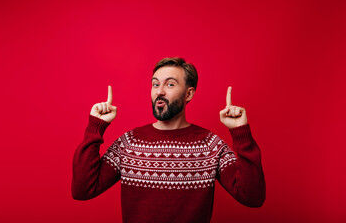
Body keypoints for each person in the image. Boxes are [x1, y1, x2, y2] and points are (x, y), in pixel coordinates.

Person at [72, 57, 266, 223]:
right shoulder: (129, 143)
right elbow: (83, 190)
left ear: (189, 93)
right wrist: (96, 127)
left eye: (170, 84)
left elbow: (252, 197)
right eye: (155, 84)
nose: (160, 91)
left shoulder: (210, 145)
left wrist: (241, 133)